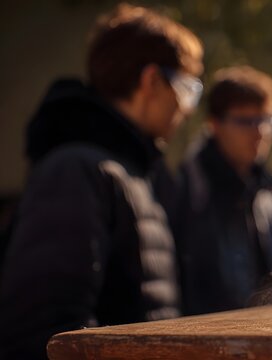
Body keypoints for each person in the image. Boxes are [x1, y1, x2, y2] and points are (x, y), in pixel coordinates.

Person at [0, 4, 203, 359]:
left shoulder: (134, 172)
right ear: (151, 80)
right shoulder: (76, 171)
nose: (187, 108)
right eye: (187, 88)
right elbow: (45, 333)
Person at [178, 66, 272, 315]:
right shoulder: (189, 189)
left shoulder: (266, 194)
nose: (259, 132)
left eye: (266, 121)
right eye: (245, 121)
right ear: (215, 124)